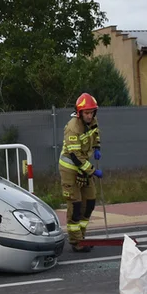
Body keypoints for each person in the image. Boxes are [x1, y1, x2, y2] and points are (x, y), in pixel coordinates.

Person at [59, 93, 103, 252]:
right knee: (76, 205)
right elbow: (75, 157)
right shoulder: (73, 127)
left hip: (84, 165)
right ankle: (76, 242)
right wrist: (93, 171)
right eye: (86, 113)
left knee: (90, 201)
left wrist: (97, 148)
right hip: (70, 168)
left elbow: (95, 134)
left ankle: (82, 236)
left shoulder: (92, 121)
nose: (90, 115)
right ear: (79, 112)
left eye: (92, 112)